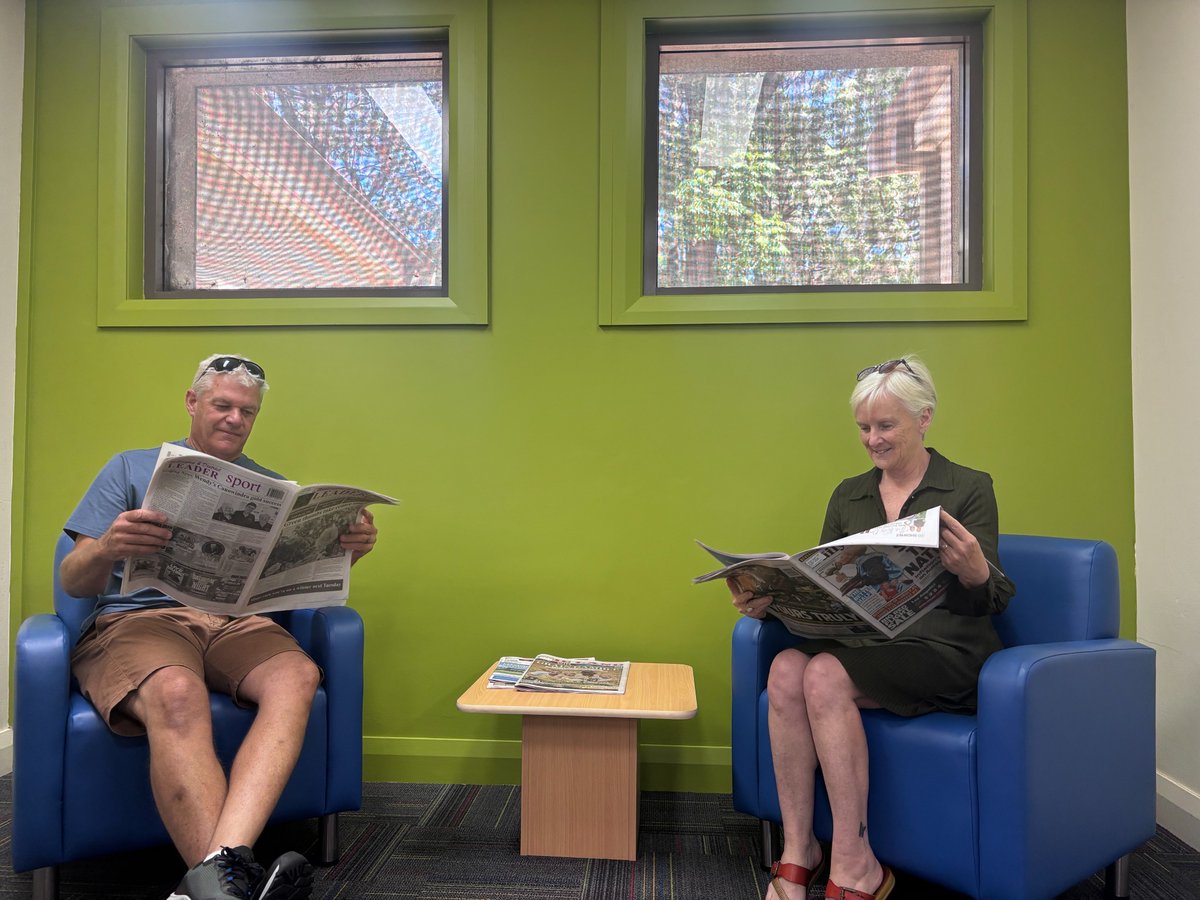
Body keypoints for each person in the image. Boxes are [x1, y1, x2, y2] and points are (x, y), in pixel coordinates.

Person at [59, 354, 380, 900]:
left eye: (247, 411)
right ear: (193, 403)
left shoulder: (273, 489)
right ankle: (227, 879)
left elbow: (300, 583)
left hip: (236, 623)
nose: (235, 418)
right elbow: (74, 580)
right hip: (142, 620)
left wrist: (349, 553)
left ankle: (212, 883)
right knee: (176, 691)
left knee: (297, 676)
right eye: (222, 405)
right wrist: (110, 545)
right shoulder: (130, 468)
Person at [729, 355, 1014, 900]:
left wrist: (977, 572)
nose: (873, 440)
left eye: (887, 426)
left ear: (923, 417)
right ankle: (798, 850)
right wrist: (777, 603)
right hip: (868, 647)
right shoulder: (848, 495)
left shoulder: (969, 488)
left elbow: (994, 598)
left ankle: (856, 862)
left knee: (826, 676)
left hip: (943, 652)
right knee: (788, 668)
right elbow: (825, 588)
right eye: (864, 428)